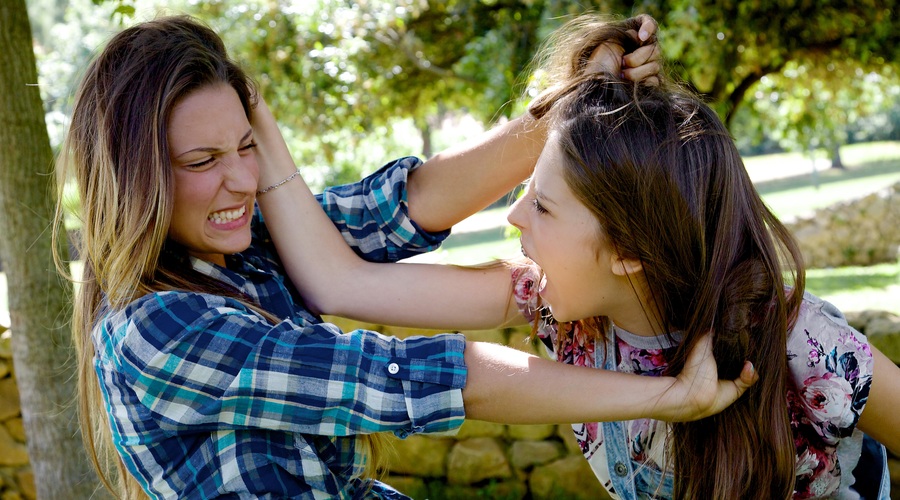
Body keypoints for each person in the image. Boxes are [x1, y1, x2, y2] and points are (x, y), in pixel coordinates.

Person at [54, 14, 756, 500]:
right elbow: (403, 379)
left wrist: (573, 97)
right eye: (204, 160)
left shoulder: (245, 246)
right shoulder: (156, 329)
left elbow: (409, 205)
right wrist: (670, 398)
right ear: (134, 177)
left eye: (247, 147)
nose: (242, 181)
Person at [257, 16, 900, 500]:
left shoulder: (800, 346)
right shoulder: (553, 305)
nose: (512, 218)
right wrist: (251, 120)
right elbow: (334, 282)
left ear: (626, 251)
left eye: (541, 206)